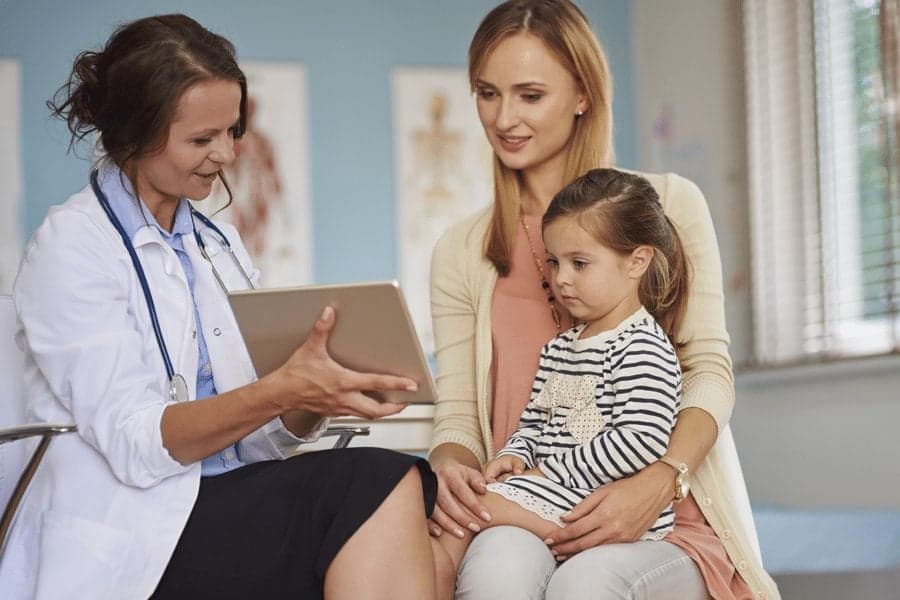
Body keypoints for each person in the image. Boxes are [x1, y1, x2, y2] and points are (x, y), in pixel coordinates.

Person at [1, 14, 437, 600]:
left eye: (232, 132)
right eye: (202, 140)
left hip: (220, 503)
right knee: (377, 482)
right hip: (133, 527)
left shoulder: (218, 244)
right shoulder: (71, 246)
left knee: (395, 481)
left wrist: (311, 396)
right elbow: (139, 448)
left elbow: (255, 442)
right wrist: (282, 390)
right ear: (133, 134)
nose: (227, 155)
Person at [427, 1, 780, 599]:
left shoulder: (667, 206)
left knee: (587, 587)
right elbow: (461, 414)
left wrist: (663, 479)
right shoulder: (461, 250)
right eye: (488, 94)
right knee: (492, 576)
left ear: (583, 94)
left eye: (530, 95)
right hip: (529, 504)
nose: (503, 117)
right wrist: (453, 470)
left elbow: (709, 372)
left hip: (664, 518)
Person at [430, 168, 689, 600]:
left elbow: (640, 440)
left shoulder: (641, 345)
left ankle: (431, 582)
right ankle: (433, 578)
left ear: (637, 262)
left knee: (470, 511)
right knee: (467, 510)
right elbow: (535, 422)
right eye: (554, 262)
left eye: (579, 263)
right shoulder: (561, 347)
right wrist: (514, 457)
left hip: (601, 505)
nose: (560, 278)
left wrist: (547, 472)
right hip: (553, 490)